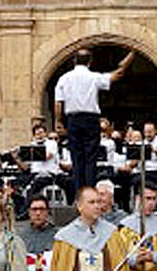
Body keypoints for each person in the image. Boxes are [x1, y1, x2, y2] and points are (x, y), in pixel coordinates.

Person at [54, 48, 134, 203]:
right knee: (90, 159)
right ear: (90, 62)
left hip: (73, 118)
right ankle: (89, 194)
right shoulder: (93, 77)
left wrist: (58, 121)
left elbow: (58, 102)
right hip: (90, 119)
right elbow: (116, 75)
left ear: (74, 61)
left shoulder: (64, 78)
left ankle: (79, 197)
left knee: (77, 159)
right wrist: (128, 60)